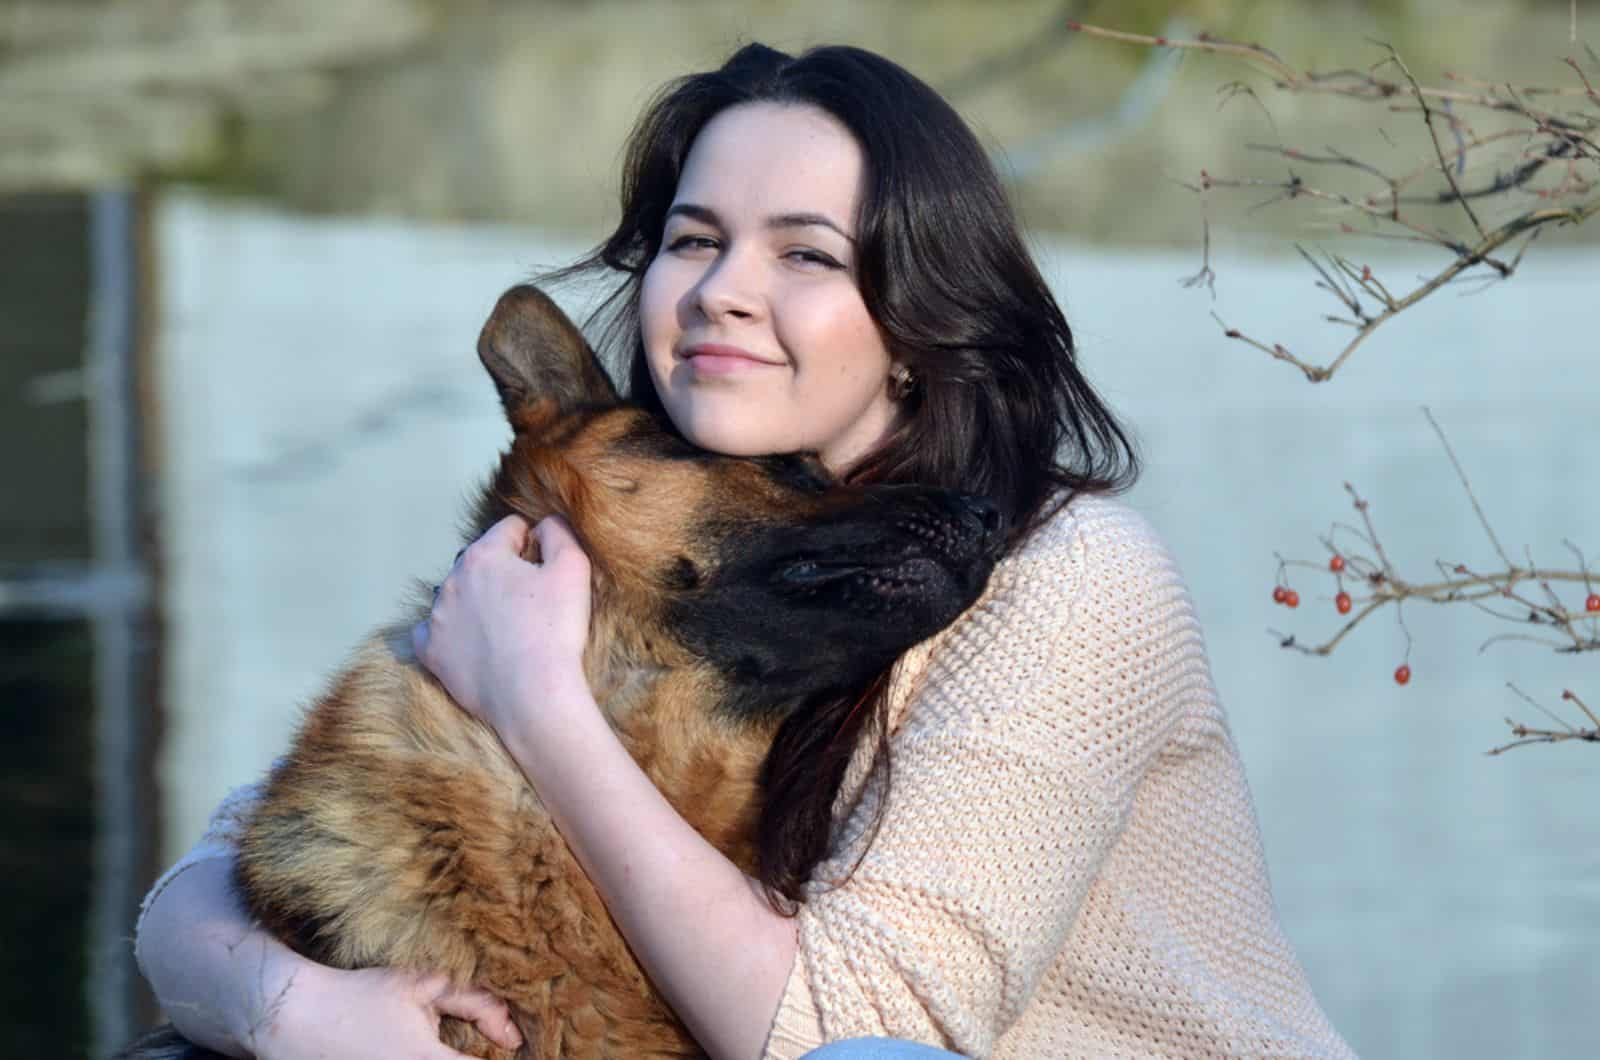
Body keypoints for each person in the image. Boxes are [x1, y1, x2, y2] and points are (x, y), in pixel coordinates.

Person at [134, 42, 1356, 1060]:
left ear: (917, 317)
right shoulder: (620, 531)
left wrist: (543, 707)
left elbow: (851, 1036)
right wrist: (297, 1011)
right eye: (693, 239)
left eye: (806, 253)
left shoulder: (1066, 577)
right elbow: (216, 879)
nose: (722, 289)